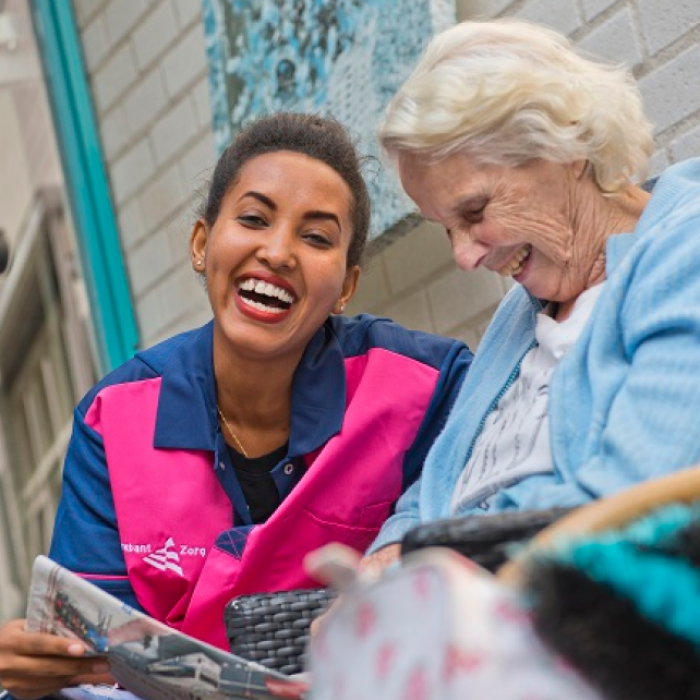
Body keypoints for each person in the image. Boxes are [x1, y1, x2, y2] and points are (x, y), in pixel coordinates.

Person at [0, 112, 471, 699]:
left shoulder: (428, 384)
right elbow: (98, 661)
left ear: (347, 286)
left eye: (317, 237)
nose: (277, 252)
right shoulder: (113, 419)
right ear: (202, 244)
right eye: (253, 219)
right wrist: (44, 671)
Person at [367, 18, 700, 560]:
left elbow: (632, 493)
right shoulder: (522, 313)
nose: (465, 256)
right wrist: (390, 552)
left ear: (566, 145)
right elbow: (441, 480)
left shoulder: (685, 252)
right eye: (446, 228)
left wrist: (429, 564)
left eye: (474, 212)